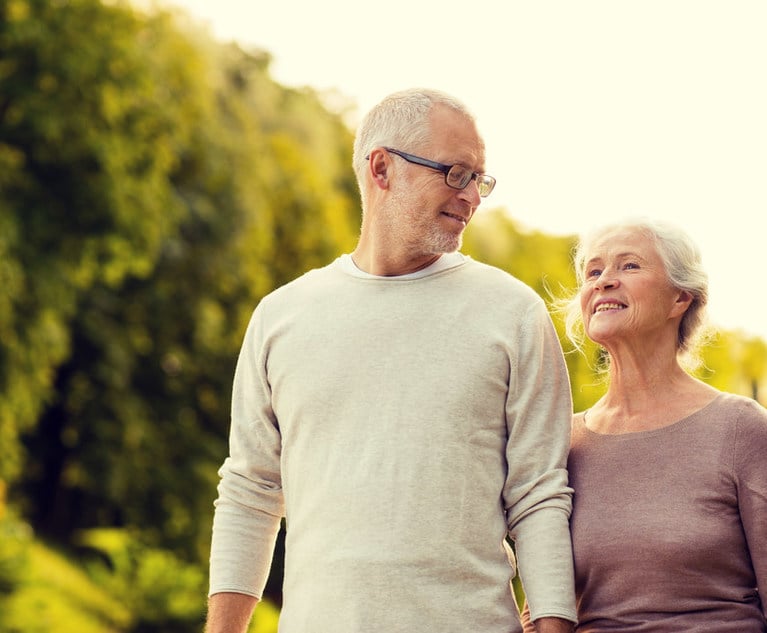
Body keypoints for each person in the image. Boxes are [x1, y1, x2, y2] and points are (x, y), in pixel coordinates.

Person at [204, 87, 577, 633]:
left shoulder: (513, 313)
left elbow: (539, 496)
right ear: (382, 168)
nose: (472, 196)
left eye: (480, 180)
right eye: (456, 173)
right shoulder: (281, 316)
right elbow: (250, 492)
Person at [556, 218, 767, 631]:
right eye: (594, 272)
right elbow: (547, 601)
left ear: (680, 299)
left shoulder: (741, 428)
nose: (604, 282)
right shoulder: (563, 443)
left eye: (629, 266)